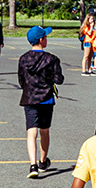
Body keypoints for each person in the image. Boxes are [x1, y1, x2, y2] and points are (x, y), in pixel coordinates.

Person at [18, 25, 64, 179]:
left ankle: (33, 164)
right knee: (44, 130)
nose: (46, 38)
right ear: (41, 39)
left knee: (31, 132)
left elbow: (21, 80)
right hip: (46, 99)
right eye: (45, 36)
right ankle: (43, 161)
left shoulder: (24, 59)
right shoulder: (51, 59)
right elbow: (59, 79)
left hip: (29, 98)